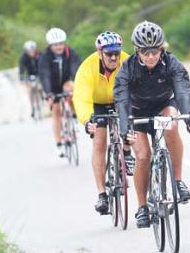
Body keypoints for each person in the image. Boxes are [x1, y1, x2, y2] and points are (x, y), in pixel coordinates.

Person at [114, 21, 190, 228]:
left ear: (162, 49)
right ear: (137, 51)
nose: (151, 56)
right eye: (146, 52)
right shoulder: (127, 69)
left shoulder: (172, 63)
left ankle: (178, 182)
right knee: (144, 155)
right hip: (136, 113)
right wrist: (126, 130)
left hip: (163, 105)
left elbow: (182, 92)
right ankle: (142, 207)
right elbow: (122, 101)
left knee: (171, 126)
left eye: (155, 51)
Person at [73, 31, 135, 215]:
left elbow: (136, 90)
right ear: (100, 53)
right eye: (109, 54)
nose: (114, 57)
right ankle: (102, 194)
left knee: (129, 126)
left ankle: (126, 151)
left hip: (120, 101)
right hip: (97, 104)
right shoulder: (88, 67)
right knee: (99, 142)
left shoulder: (127, 61)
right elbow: (81, 97)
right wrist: (87, 120)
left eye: (117, 52)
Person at [39, 28, 82, 157]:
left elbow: (76, 69)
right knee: (56, 111)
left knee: (72, 90)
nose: (59, 47)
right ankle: (59, 143)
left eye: (61, 43)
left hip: (65, 82)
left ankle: (74, 117)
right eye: (55, 44)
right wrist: (48, 93)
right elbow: (44, 75)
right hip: (52, 86)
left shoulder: (71, 53)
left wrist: (79, 85)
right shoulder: (45, 57)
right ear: (50, 45)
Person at [19, 40, 41, 118]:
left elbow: (44, 65)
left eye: (33, 50)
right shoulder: (24, 57)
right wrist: (21, 77)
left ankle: (41, 99)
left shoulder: (39, 54)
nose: (31, 52)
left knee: (39, 87)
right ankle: (32, 106)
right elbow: (22, 67)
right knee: (30, 89)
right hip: (30, 75)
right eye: (29, 51)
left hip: (39, 73)